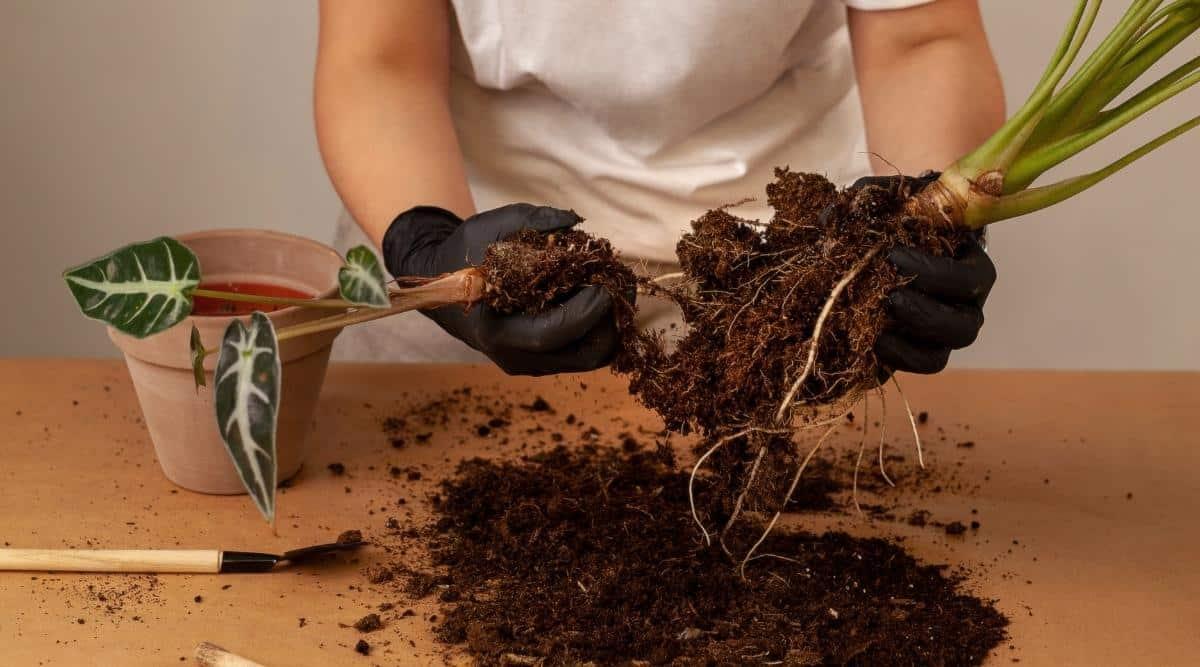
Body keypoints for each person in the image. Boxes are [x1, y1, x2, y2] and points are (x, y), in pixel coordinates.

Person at [314, 0, 1003, 376]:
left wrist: (922, 229)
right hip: (476, 230)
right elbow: (381, 57)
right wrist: (427, 243)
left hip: (782, 281)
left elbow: (921, 36)